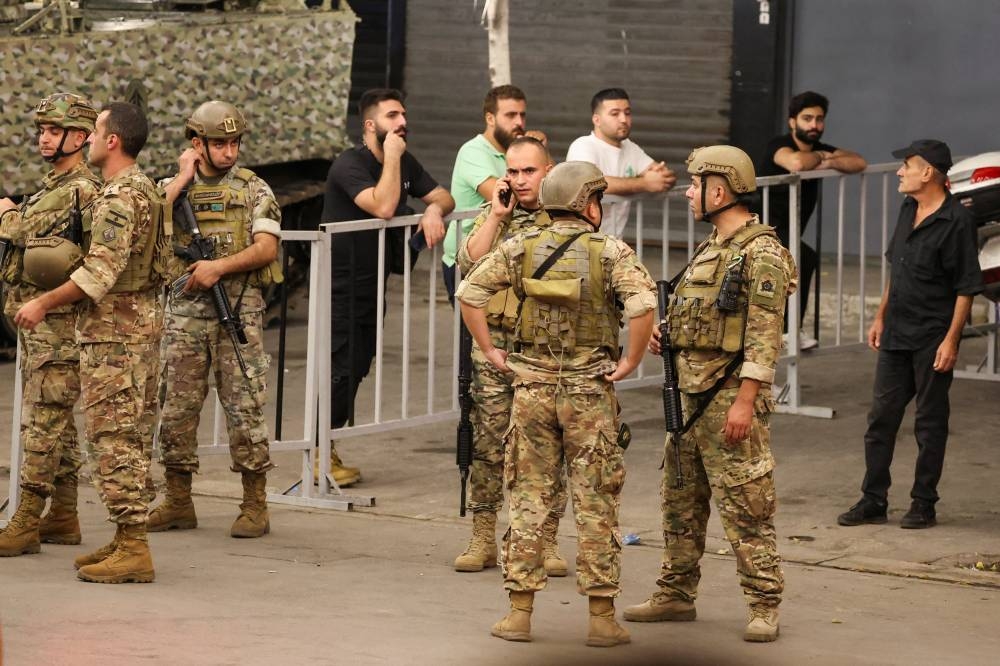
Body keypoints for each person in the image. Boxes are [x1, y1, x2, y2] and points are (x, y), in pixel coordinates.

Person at [457, 161, 656, 647]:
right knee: (595, 504)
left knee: (528, 499)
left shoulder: (521, 247)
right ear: (590, 204)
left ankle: (519, 614)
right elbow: (643, 306)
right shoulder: (610, 251)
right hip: (588, 394)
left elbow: (469, 291)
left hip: (532, 391)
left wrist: (490, 350)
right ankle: (601, 619)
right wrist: (629, 361)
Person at [624, 146, 796, 643]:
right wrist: (666, 333)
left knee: (747, 506)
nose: (688, 192)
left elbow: (764, 335)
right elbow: (703, 312)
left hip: (726, 399)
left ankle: (764, 603)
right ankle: (675, 593)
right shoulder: (714, 246)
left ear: (719, 190)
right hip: (689, 399)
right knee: (681, 501)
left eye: (696, 184)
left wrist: (745, 401)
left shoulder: (760, 253)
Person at [14, 102, 164, 584]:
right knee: (126, 435)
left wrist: (43, 304)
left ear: (111, 140)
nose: (92, 139)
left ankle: (135, 548)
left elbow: (99, 272)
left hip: (114, 335)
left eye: (95, 131)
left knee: (115, 438)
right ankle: (124, 540)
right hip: (129, 328)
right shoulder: (141, 189)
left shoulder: (120, 197)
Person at [147, 101, 283, 539]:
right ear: (196, 144)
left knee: (244, 407)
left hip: (236, 311)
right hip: (184, 315)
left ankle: (254, 503)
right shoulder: (171, 188)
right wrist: (182, 180)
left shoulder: (254, 189)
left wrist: (217, 268)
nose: (229, 151)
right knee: (177, 410)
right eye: (219, 143)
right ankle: (178, 500)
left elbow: (266, 249)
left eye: (234, 142)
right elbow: (144, 225)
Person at [837, 140, 982, 530]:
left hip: (932, 336)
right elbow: (896, 270)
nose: (899, 172)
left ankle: (923, 503)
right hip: (897, 331)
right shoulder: (907, 209)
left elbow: (967, 286)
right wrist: (880, 317)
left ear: (928, 172)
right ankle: (873, 499)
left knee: (929, 423)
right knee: (880, 419)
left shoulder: (957, 221)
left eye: (906, 165)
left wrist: (952, 340)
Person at [321, 88, 454, 485]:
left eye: (403, 115)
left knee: (358, 364)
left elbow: (442, 194)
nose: (402, 123)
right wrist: (393, 159)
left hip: (372, 281)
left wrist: (431, 208)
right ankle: (316, 451)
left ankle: (326, 445)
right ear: (370, 125)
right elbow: (382, 205)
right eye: (393, 116)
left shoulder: (405, 161)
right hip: (339, 284)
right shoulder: (350, 165)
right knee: (339, 368)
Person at [452, 136, 568, 576]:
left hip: (545, 349)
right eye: (513, 172)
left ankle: (548, 538)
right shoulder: (496, 214)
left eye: (529, 171)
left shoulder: (566, 215)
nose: (520, 180)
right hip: (497, 346)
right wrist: (497, 217)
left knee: (547, 445)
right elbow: (468, 265)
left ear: (548, 170)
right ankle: (483, 533)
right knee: (488, 442)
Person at [0, 93, 101, 557]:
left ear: (79, 138)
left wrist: (5, 212)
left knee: (41, 425)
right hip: (41, 329)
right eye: (41, 130)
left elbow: (25, 231)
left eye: (54, 131)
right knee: (57, 426)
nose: (44, 138)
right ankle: (63, 515)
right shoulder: (51, 185)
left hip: (59, 327)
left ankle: (25, 517)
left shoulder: (80, 190)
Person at [757, 90, 866, 349]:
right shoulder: (779, 144)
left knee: (802, 259)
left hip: (788, 229)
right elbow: (795, 162)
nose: (814, 125)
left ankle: (789, 330)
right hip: (759, 226)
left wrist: (822, 159)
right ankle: (786, 331)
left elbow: (859, 162)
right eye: (807, 118)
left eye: (819, 119)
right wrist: (824, 159)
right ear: (792, 122)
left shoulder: (820, 149)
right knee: (802, 258)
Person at [442, 85, 527, 302]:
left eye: (522, 115)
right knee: (471, 336)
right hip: (468, 260)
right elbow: (505, 197)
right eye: (510, 115)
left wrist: (537, 151)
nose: (519, 122)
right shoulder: (473, 151)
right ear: (490, 118)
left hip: (500, 259)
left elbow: (549, 182)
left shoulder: (514, 151)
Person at [565, 87, 676, 238]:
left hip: (613, 244)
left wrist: (660, 178)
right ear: (596, 120)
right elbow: (589, 183)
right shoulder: (583, 146)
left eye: (627, 113)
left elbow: (664, 176)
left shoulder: (630, 148)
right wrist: (644, 183)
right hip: (580, 242)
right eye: (615, 114)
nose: (624, 119)